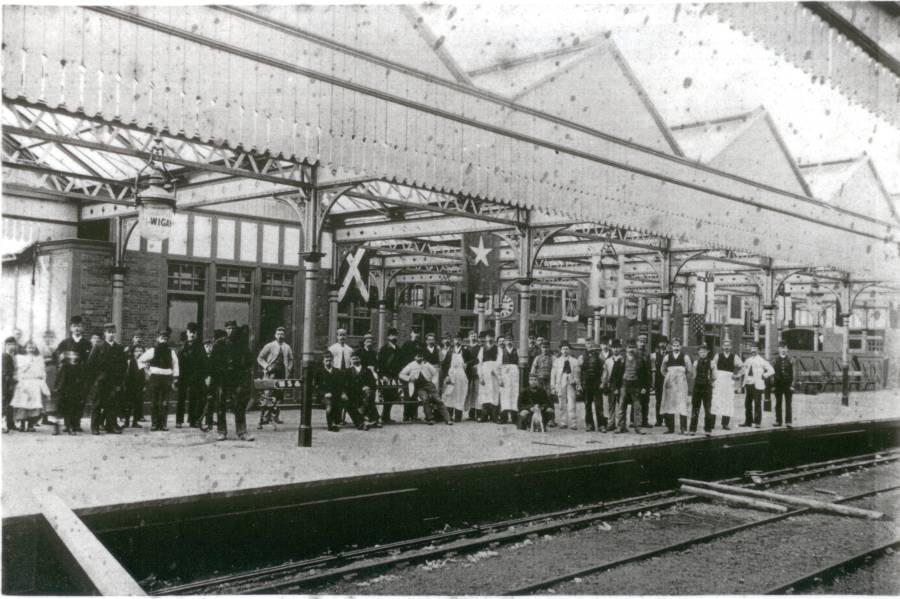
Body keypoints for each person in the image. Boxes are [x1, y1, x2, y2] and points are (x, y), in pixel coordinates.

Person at [210, 320, 253, 441]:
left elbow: (249, 361)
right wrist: (213, 376)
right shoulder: (219, 344)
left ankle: (242, 432)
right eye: (228, 328)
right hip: (221, 378)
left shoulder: (241, 344)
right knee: (220, 405)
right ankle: (221, 431)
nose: (231, 331)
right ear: (225, 330)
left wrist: (243, 375)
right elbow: (212, 363)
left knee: (239, 405)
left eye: (233, 328)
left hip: (236, 379)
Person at [85, 323, 126, 435]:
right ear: (105, 333)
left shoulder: (119, 348)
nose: (111, 334)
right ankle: (95, 427)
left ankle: (111, 426)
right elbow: (90, 365)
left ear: (115, 333)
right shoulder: (98, 347)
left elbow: (123, 366)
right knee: (97, 404)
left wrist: (119, 382)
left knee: (112, 403)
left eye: (113, 332)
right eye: (109, 332)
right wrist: (94, 380)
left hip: (113, 381)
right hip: (100, 381)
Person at [54, 316, 92, 433]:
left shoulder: (87, 344)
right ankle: (67, 423)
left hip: (81, 376)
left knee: (80, 399)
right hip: (68, 376)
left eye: (79, 326)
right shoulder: (65, 343)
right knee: (67, 399)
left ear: (83, 328)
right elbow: (57, 357)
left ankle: (76, 423)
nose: (77, 328)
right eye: (74, 326)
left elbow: (90, 360)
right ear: (70, 328)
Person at [138, 328, 180, 432]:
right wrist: (147, 371)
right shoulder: (153, 350)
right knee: (155, 401)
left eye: (165, 338)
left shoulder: (171, 352)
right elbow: (140, 360)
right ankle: (155, 424)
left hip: (167, 378)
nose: (163, 340)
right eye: (162, 338)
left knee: (165, 401)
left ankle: (164, 424)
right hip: (155, 378)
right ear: (157, 338)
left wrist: (175, 378)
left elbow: (175, 365)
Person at [399, 349, 451, 425]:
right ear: (414, 357)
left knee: (438, 399)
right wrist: (409, 378)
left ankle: (448, 419)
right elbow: (401, 374)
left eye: (421, 357)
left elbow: (435, 373)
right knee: (425, 399)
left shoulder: (426, 364)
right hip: (419, 386)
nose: (420, 358)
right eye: (418, 357)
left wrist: (433, 381)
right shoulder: (411, 365)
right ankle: (430, 418)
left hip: (429, 384)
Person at [256, 326, 293, 429]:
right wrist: (266, 367)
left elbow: (291, 359)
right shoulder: (270, 345)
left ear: (284, 335)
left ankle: (274, 417)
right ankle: (262, 419)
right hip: (271, 373)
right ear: (275, 335)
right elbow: (260, 358)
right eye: (278, 334)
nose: (280, 336)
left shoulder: (287, 347)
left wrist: (288, 369)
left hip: (282, 374)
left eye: (282, 334)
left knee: (279, 396)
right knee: (267, 395)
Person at [10, 340, 49, 432]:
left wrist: (42, 380)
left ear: (35, 348)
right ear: (25, 348)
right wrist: (26, 367)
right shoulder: (20, 358)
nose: (31, 349)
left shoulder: (39, 358)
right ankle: (22, 425)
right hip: (24, 382)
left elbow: (42, 371)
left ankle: (31, 425)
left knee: (34, 405)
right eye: (29, 347)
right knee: (23, 404)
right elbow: (18, 371)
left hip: (35, 383)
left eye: (32, 347)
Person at [177, 322, 207, 429]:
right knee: (181, 398)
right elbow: (178, 362)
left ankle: (192, 420)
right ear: (187, 332)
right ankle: (179, 420)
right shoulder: (182, 347)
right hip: (183, 376)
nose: (192, 334)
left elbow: (204, 362)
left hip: (195, 377)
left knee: (194, 398)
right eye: (190, 332)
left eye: (194, 332)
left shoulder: (200, 347)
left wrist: (202, 376)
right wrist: (177, 377)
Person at [616, 339, 650, 434]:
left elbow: (645, 375)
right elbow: (616, 375)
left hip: (636, 386)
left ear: (636, 348)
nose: (631, 350)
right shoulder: (621, 360)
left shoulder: (640, 360)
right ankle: (620, 426)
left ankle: (638, 427)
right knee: (622, 407)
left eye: (633, 347)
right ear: (626, 348)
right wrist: (616, 388)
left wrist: (644, 387)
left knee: (637, 407)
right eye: (629, 347)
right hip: (624, 385)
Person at [660, 338, 693, 434]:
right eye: (674, 345)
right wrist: (668, 376)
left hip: (681, 384)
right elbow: (662, 369)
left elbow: (689, 370)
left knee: (682, 404)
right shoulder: (667, 356)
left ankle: (683, 428)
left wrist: (682, 378)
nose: (676, 347)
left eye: (678, 345)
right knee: (670, 404)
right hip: (670, 384)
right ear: (671, 346)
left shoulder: (685, 357)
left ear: (681, 346)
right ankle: (670, 428)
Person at [740, 344, 774, 429]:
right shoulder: (748, 360)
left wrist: (764, 375)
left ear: (758, 350)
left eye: (755, 349)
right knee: (747, 404)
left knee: (757, 403)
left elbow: (771, 370)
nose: (753, 350)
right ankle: (748, 421)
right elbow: (743, 370)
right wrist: (740, 374)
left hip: (757, 385)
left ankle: (757, 422)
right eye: (752, 348)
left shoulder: (762, 360)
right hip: (748, 384)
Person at [711, 339, 742, 430]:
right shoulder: (718, 356)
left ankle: (725, 423)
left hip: (729, 381)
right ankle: (712, 423)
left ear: (731, 347)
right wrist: (713, 378)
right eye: (725, 345)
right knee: (716, 401)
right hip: (719, 380)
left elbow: (742, 366)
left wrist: (737, 375)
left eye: (728, 345)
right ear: (722, 347)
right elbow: (712, 367)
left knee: (728, 401)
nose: (727, 347)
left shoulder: (734, 357)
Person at [441, 331, 471, 423]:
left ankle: (458, 416)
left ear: (461, 341)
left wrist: (467, 363)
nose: (457, 341)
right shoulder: (450, 351)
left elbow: (475, 360)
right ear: (453, 341)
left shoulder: (465, 350)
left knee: (460, 394)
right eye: (455, 339)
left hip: (461, 374)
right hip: (452, 374)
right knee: (450, 394)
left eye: (459, 339)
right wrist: (446, 376)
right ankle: (449, 415)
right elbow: (444, 364)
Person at [551, 341, 581, 429]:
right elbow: (553, 375)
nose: (565, 351)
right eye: (563, 349)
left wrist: (578, 385)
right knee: (561, 403)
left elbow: (578, 374)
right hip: (560, 382)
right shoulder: (557, 361)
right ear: (560, 350)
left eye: (567, 349)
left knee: (572, 403)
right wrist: (553, 386)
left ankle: (573, 423)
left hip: (571, 382)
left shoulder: (574, 361)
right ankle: (563, 422)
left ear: (570, 350)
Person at [347, 351, 380, 428]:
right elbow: (347, 384)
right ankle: (367, 420)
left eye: (357, 358)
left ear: (360, 359)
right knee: (353, 401)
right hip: (354, 393)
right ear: (350, 360)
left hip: (366, 393)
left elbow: (373, 384)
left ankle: (369, 420)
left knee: (368, 396)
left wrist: (368, 386)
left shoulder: (367, 370)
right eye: (353, 359)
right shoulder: (348, 371)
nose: (355, 360)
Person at [377, 327, 403, 424]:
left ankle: (386, 416)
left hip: (395, 376)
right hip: (386, 376)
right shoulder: (384, 349)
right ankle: (384, 416)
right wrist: (382, 375)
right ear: (388, 337)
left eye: (395, 335)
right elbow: (380, 363)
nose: (394, 337)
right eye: (392, 335)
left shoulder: (399, 350)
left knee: (392, 396)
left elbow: (401, 363)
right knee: (386, 396)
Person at [315, 352, 345, 432]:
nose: (328, 362)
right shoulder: (319, 372)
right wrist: (324, 393)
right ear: (323, 361)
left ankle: (338, 421)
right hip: (324, 396)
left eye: (330, 360)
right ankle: (331, 425)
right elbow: (316, 387)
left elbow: (341, 384)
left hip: (335, 394)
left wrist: (341, 393)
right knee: (329, 405)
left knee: (344, 401)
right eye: (326, 360)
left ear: (332, 361)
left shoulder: (337, 371)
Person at [689, 345, 715, 436]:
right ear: (698, 353)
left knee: (708, 409)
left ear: (707, 352)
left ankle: (708, 430)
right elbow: (693, 376)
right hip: (697, 388)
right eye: (700, 352)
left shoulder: (712, 363)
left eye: (704, 352)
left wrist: (710, 381)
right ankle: (692, 429)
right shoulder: (695, 363)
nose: (702, 353)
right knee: (695, 409)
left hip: (707, 388)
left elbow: (715, 376)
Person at [476, 331, 502, 423]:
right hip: (485, 372)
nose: (490, 339)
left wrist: (495, 371)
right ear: (485, 338)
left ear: (494, 338)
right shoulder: (482, 349)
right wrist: (481, 376)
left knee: (494, 393)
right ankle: (484, 416)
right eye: (488, 337)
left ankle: (495, 416)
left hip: (494, 373)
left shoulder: (498, 349)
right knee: (484, 393)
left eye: (491, 337)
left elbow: (500, 362)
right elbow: (480, 363)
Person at [580, 339, 605, 432]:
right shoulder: (582, 356)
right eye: (587, 343)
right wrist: (580, 384)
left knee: (599, 405)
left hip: (596, 383)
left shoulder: (599, 356)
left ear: (594, 345)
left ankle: (601, 425)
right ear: (585, 345)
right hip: (586, 383)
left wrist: (603, 382)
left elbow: (604, 369)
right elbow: (578, 371)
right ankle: (589, 424)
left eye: (591, 343)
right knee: (587, 405)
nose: (589, 345)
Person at [399, 330, 423, 422]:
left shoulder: (420, 345)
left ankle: (414, 415)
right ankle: (406, 415)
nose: (416, 335)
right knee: (407, 394)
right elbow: (402, 358)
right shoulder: (406, 345)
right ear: (411, 334)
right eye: (414, 333)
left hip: (417, 371)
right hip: (408, 371)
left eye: (417, 333)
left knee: (415, 394)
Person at [122, 344, 146, 428]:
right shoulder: (130, 361)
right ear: (133, 353)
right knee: (128, 404)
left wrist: (144, 385)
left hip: (139, 385)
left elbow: (145, 375)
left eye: (141, 351)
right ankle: (126, 421)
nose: (139, 353)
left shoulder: (144, 362)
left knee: (138, 404)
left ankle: (135, 421)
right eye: (136, 351)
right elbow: (127, 374)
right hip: (130, 385)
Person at [602, 339, 624, 433]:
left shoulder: (623, 360)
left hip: (621, 384)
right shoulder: (608, 361)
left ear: (620, 348)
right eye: (614, 347)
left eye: (617, 347)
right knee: (611, 405)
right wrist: (604, 384)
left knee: (621, 405)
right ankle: (611, 423)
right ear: (611, 348)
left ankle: (621, 425)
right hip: (611, 385)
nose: (615, 349)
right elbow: (605, 374)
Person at [772, 341, 795, 428]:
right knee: (778, 403)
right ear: (778, 349)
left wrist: (792, 385)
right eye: (781, 348)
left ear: (787, 349)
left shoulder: (791, 360)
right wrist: (773, 385)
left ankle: (788, 421)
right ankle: (778, 421)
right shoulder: (775, 360)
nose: (783, 350)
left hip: (788, 385)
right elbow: (772, 374)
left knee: (788, 403)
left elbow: (794, 373)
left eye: (784, 348)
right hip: (778, 385)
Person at [498, 336, 519, 424]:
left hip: (514, 375)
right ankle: (504, 417)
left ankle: (514, 417)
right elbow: (498, 366)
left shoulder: (517, 350)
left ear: (513, 341)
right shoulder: (501, 352)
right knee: (504, 396)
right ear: (505, 342)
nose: (509, 342)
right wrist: (500, 378)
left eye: (510, 340)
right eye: (507, 340)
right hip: (505, 375)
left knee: (514, 394)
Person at [650, 338, 669, 427]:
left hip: (668, 381)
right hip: (658, 380)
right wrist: (653, 383)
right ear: (658, 344)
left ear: (666, 344)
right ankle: (659, 420)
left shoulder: (670, 355)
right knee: (658, 400)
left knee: (667, 400)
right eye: (661, 342)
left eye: (664, 343)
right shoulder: (654, 355)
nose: (662, 344)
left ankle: (667, 419)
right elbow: (652, 370)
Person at [465, 331, 481, 420]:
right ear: (469, 337)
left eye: (475, 336)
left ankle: (478, 413)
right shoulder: (466, 348)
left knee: (477, 392)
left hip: (477, 372)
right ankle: (471, 413)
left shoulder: (480, 348)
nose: (473, 337)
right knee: (470, 392)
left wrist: (477, 365)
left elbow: (480, 359)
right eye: (471, 336)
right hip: (468, 373)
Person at [636, 334, 651, 427]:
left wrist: (648, 384)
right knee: (636, 402)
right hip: (636, 381)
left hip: (645, 381)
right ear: (637, 342)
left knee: (645, 402)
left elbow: (648, 370)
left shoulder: (647, 354)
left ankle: (645, 421)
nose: (642, 344)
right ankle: (634, 421)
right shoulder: (634, 353)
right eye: (640, 342)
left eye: (644, 342)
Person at [3, 336, 17, 433]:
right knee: (6, 402)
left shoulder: (13, 356)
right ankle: (5, 425)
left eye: (13, 344)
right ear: (5, 345)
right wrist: (9, 382)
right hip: (6, 382)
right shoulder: (4, 355)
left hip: (11, 381)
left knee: (11, 402)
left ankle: (10, 423)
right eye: (9, 344)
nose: (11, 346)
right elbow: (5, 371)